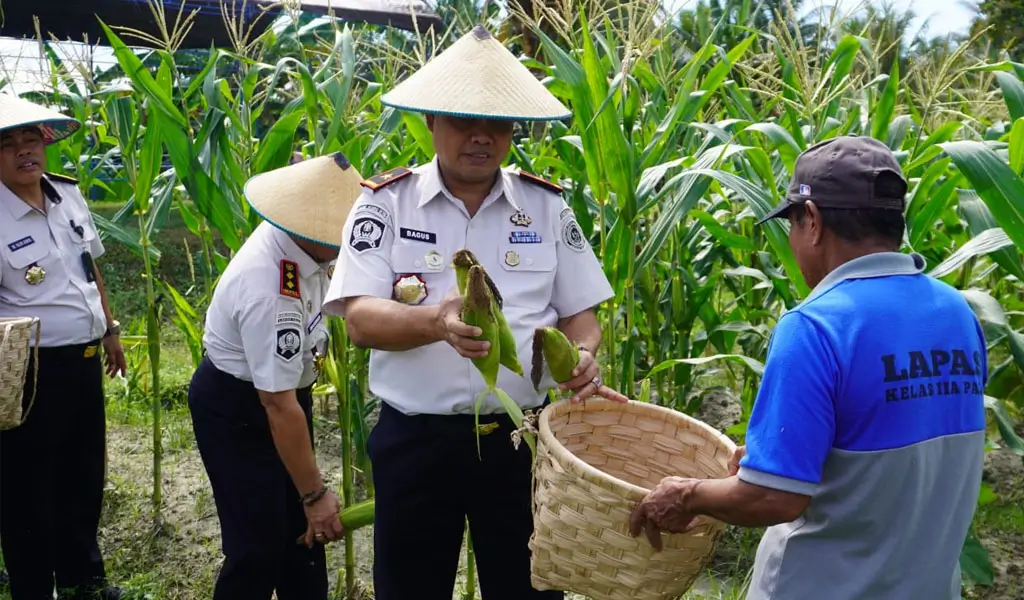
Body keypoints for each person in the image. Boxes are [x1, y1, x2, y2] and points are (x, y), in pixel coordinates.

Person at [322, 24, 629, 600]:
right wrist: (435, 323)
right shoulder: (384, 204)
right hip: (417, 441)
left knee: (527, 588)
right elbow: (359, 320)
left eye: (498, 125)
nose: (482, 137)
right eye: (464, 121)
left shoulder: (546, 206)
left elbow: (581, 318)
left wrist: (583, 356)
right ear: (431, 121)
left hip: (522, 441)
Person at [627, 135, 988, 600]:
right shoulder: (957, 312)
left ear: (812, 221)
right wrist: (787, 454)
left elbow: (775, 497)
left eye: (793, 225)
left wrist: (687, 494)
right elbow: (901, 446)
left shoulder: (816, 326)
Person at [186, 152, 364, 599]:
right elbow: (277, 407)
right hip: (240, 409)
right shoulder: (271, 290)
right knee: (257, 545)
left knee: (303, 539)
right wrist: (315, 495)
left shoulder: (302, 244)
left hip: (283, 397)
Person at [0, 94, 128, 600]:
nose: (23, 151)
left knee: (83, 471)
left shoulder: (67, 195)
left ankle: (82, 578)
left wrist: (110, 328)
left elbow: (88, 266)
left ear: (45, 144)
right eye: (8, 144)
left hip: (84, 357)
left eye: (31, 139)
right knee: (27, 482)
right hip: (27, 368)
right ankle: (33, 587)